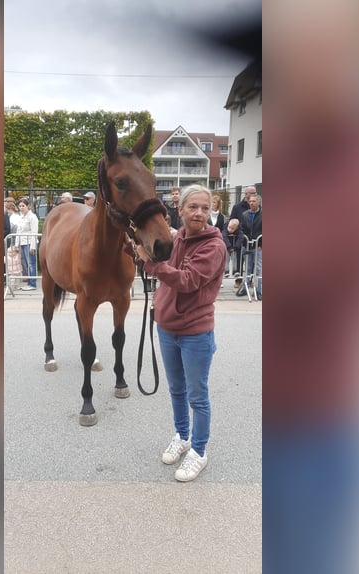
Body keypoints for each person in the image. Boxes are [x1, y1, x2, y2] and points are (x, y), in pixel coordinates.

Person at [135, 184, 226, 482]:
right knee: (176, 390)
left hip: (195, 333)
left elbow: (187, 281)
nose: (199, 213)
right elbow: (157, 259)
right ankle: (182, 435)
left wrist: (149, 264)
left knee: (197, 396)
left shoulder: (213, 246)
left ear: (210, 211)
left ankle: (199, 451)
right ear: (181, 209)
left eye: (204, 207)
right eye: (193, 207)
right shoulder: (176, 240)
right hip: (167, 328)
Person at [238, 193, 262, 298]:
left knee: (259, 268)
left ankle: (259, 290)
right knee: (247, 268)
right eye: (250, 201)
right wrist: (244, 242)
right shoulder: (245, 214)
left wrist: (260, 243)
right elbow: (241, 229)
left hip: (259, 246)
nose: (251, 203)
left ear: (259, 202)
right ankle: (245, 287)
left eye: (254, 201)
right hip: (247, 245)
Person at [16, 198, 39, 290]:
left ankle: (32, 284)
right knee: (26, 263)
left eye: (23, 206)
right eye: (20, 206)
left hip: (29, 243)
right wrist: (16, 244)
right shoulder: (21, 217)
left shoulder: (32, 217)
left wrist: (32, 246)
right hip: (22, 242)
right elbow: (18, 231)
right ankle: (29, 283)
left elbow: (34, 232)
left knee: (31, 263)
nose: (21, 208)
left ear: (28, 206)